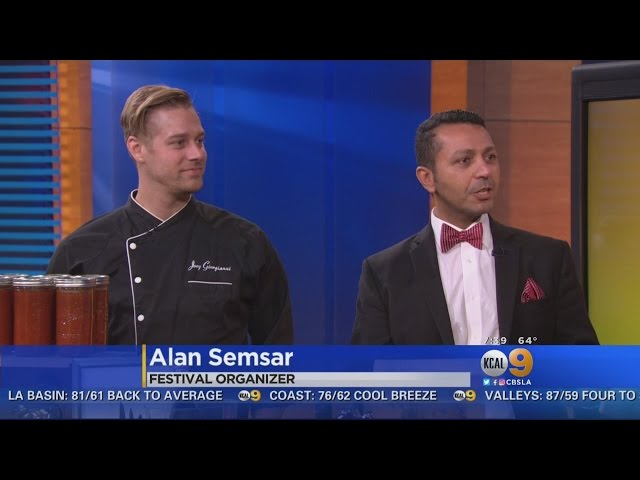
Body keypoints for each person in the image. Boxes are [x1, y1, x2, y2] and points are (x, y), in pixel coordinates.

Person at [47, 84, 293, 346]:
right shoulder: (81, 252)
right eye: (179, 143)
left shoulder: (246, 242)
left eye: (200, 141)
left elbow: (278, 355)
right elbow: (49, 362)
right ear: (137, 149)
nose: (197, 154)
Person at [351, 109, 598, 345]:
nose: (484, 171)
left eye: (490, 157)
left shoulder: (549, 258)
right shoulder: (384, 272)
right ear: (428, 178)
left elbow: (581, 360)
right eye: (464, 160)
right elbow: (369, 368)